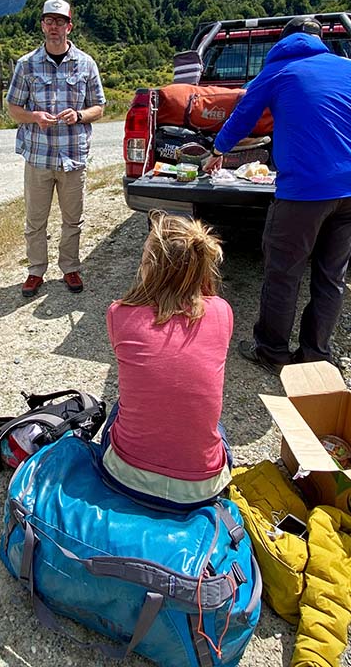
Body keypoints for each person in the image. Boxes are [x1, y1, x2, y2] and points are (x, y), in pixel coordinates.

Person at [203, 15, 351, 372]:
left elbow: (242, 118)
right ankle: (316, 353)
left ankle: (271, 352)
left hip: (304, 193)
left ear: (282, 43)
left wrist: (217, 149)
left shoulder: (277, 71)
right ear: (321, 41)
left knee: (284, 272)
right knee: (332, 275)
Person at [99, 211, 233, 510]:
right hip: (202, 489)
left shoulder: (119, 313)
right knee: (205, 420)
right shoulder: (222, 311)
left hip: (126, 477)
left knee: (125, 403)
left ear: (150, 266)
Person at [6, 0, 106, 298]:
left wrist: (79, 115)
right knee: (35, 220)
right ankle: (36, 271)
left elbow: (99, 107)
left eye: (59, 21)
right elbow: (13, 108)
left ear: (69, 26)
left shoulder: (86, 63)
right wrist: (34, 117)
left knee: (72, 218)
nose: (54, 26)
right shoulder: (26, 65)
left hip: (73, 156)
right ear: (42, 25)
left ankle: (70, 267)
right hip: (38, 156)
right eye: (49, 21)